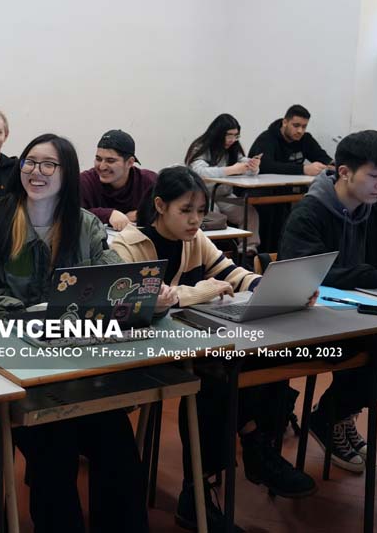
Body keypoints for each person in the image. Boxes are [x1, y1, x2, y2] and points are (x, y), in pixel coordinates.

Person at [0, 133, 149, 532]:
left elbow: (112, 280)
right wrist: (20, 312)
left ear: (67, 173)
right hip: (12, 372)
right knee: (55, 450)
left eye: (48, 164)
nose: (36, 172)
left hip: (76, 368)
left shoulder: (85, 226)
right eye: (30, 163)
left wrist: (142, 294)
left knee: (118, 447)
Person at [111, 166, 316, 533]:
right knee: (214, 380)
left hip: (192, 344)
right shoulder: (126, 245)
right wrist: (202, 290)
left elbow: (230, 272)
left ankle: (255, 446)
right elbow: (140, 303)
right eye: (185, 210)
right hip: (142, 352)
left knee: (261, 358)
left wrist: (269, 287)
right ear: (160, 206)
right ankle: (202, 487)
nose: (195, 220)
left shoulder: (195, 238)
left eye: (201, 211)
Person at [279, 130, 377, 473]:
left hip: (366, 318)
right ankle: (332, 416)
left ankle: (335, 414)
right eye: (374, 175)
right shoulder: (309, 213)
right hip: (314, 323)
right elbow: (312, 272)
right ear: (344, 172)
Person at [249, 104, 333, 250]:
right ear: (285, 122)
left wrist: (332, 165)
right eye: (296, 125)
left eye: (304, 126)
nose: (300, 131)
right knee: (274, 216)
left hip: (290, 191)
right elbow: (266, 165)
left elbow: (322, 157)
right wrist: (303, 169)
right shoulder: (267, 138)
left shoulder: (305, 139)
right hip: (264, 193)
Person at [185, 113, 262, 256]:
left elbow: (243, 165)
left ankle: (248, 251)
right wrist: (231, 170)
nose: (232, 140)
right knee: (214, 216)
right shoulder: (201, 147)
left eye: (236, 136)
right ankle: (212, 254)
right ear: (218, 133)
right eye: (229, 135)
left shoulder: (233, 147)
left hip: (225, 196)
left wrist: (253, 167)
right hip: (203, 196)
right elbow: (199, 171)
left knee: (249, 212)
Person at [80, 129, 157, 231]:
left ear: (130, 162)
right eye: (98, 159)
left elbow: (167, 209)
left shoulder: (149, 181)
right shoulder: (84, 182)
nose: (102, 167)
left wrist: (142, 214)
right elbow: (71, 213)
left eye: (110, 161)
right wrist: (108, 214)